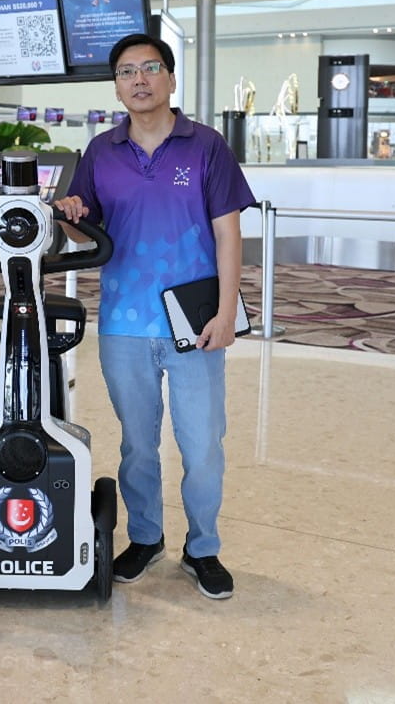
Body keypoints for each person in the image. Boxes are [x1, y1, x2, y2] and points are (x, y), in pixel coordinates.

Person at [55, 33, 255, 600]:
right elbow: (86, 232)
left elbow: (228, 232)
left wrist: (224, 312)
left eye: (149, 68)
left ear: (169, 78)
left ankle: (203, 547)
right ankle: (145, 537)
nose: (138, 79)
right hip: (123, 320)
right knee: (137, 444)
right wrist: (71, 213)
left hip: (194, 323)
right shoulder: (99, 151)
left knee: (201, 443)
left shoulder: (206, 146)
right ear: (116, 86)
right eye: (126, 71)